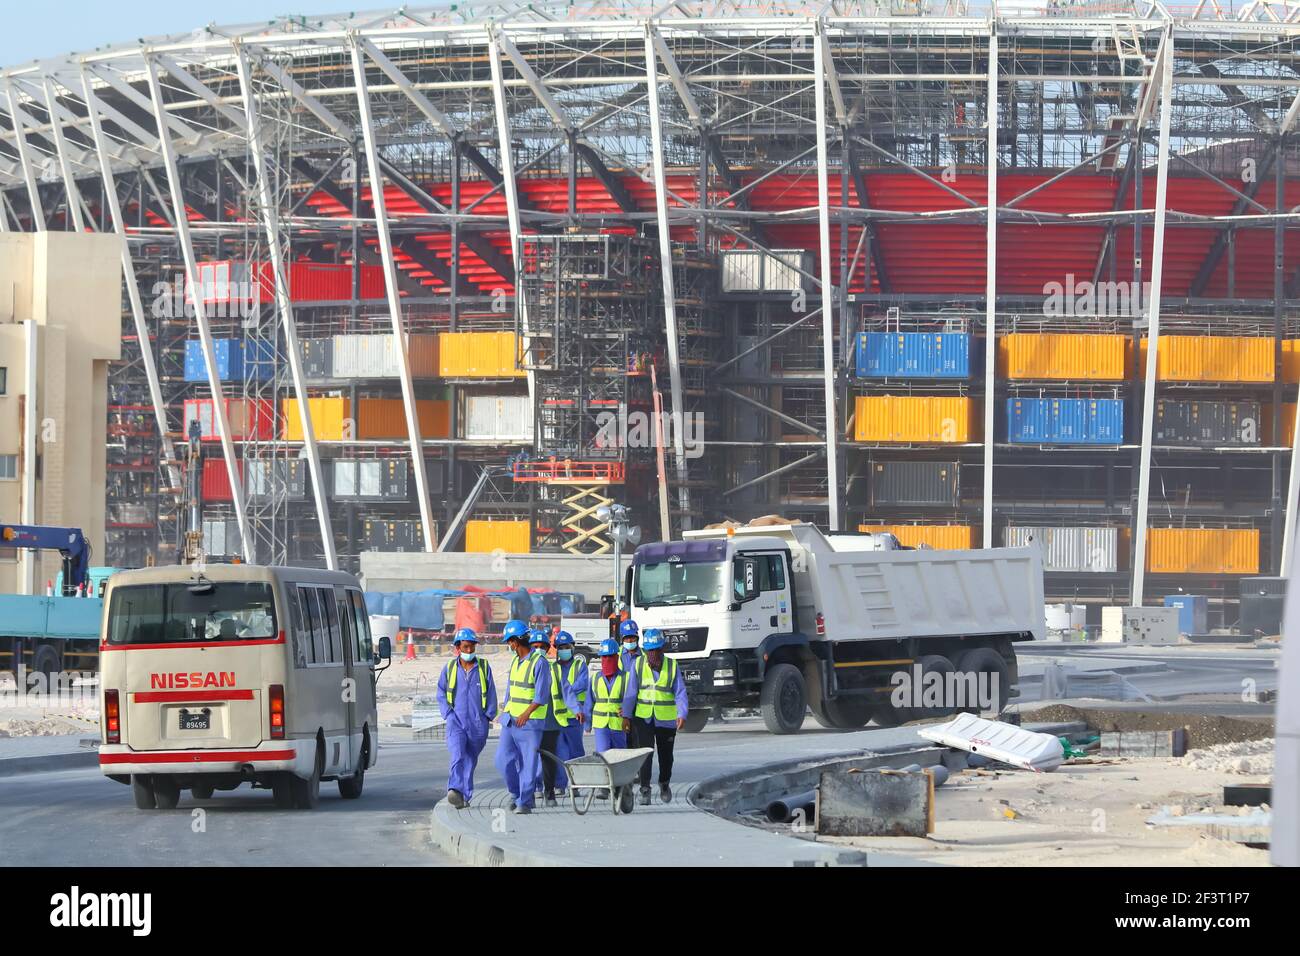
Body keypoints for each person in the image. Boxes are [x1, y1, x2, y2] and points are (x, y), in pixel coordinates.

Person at [621, 627, 688, 805]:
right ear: (645, 650)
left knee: (666, 756)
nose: (653, 654)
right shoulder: (638, 664)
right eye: (650, 650)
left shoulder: (672, 666)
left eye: (656, 650)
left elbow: (680, 692)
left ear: (662, 649)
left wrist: (682, 713)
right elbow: (631, 692)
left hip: (666, 719)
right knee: (645, 755)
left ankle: (664, 783)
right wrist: (626, 716)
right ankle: (645, 790)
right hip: (643, 718)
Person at [493, 619, 549, 814]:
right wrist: (504, 713)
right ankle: (516, 794)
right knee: (503, 759)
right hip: (511, 720)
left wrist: (526, 714)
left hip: (530, 722)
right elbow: (510, 691)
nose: (509, 645)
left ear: (517, 641)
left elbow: (541, 696)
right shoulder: (516, 662)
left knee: (528, 763)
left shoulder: (539, 663)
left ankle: (525, 801)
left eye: (510, 641)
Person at [436, 627, 497, 809]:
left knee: (470, 759)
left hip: (479, 723)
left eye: (471, 647)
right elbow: (440, 692)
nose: (469, 651)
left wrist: (488, 716)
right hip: (456, 721)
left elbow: (492, 692)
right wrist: (448, 713)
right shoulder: (449, 669)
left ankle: (464, 795)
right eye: (465, 647)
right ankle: (454, 788)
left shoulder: (484, 667)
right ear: (457, 647)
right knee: (458, 754)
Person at [534, 628, 580, 806]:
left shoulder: (554, 670)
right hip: (531, 722)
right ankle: (532, 790)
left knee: (549, 759)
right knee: (530, 758)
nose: (538, 650)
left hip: (551, 722)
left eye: (542, 647)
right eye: (535, 647)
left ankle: (549, 792)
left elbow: (567, 691)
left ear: (547, 649)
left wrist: (577, 709)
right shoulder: (524, 666)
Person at [585, 638, 627, 754]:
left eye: (611, 656)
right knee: (603, 756)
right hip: (601, 725)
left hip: (619, 724)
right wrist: (587, 724)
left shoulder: (626, 678)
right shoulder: (594, 679)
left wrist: (627, 710)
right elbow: (589, 702)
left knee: (620, 757)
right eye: (604, 657)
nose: (607, 659)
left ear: (617, 657)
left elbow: (632, 699)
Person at [554, 631, 588, 768]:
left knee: (576, 752)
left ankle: (579, 784)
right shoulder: (553, 668)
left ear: (573, 647)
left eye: (566, 647)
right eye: (560, 648)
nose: (564, 650)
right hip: (558, 718)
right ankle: (561, 785)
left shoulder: (580, 665)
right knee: (560, 753)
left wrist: (565, 689)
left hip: (575, 717)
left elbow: (582, 683)